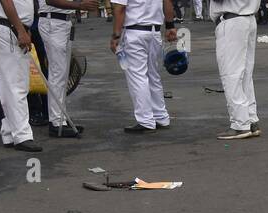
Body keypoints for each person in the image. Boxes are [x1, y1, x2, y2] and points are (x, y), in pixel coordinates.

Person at [110, 0, 174, 133]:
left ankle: (145, 121)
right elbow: (167, 2)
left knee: (138, 76)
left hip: (135, 32)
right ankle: (161, 117)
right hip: (154, 31)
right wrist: (170, 26)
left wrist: (116, 35)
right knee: (153, 76)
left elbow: (120, 9)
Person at [38, 0, 96, 137]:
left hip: (61, 21)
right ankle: (56, 121)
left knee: (62, 73)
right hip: (53, 21)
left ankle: (61, 118)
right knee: (58, 73)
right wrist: (79, 6)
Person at [0, 0, 40, 150]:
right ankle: (22, 135)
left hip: (9, 26)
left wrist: (23, 28)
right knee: (17, 85)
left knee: (7, 84)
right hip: (9, 27)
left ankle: (9, 132)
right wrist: (20, 29)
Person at [211, 0, 259, 139]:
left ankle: (240, 124)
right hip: (247, 17)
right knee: (245, 75)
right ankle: (251, 120)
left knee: (231, 75)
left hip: (233, 19)